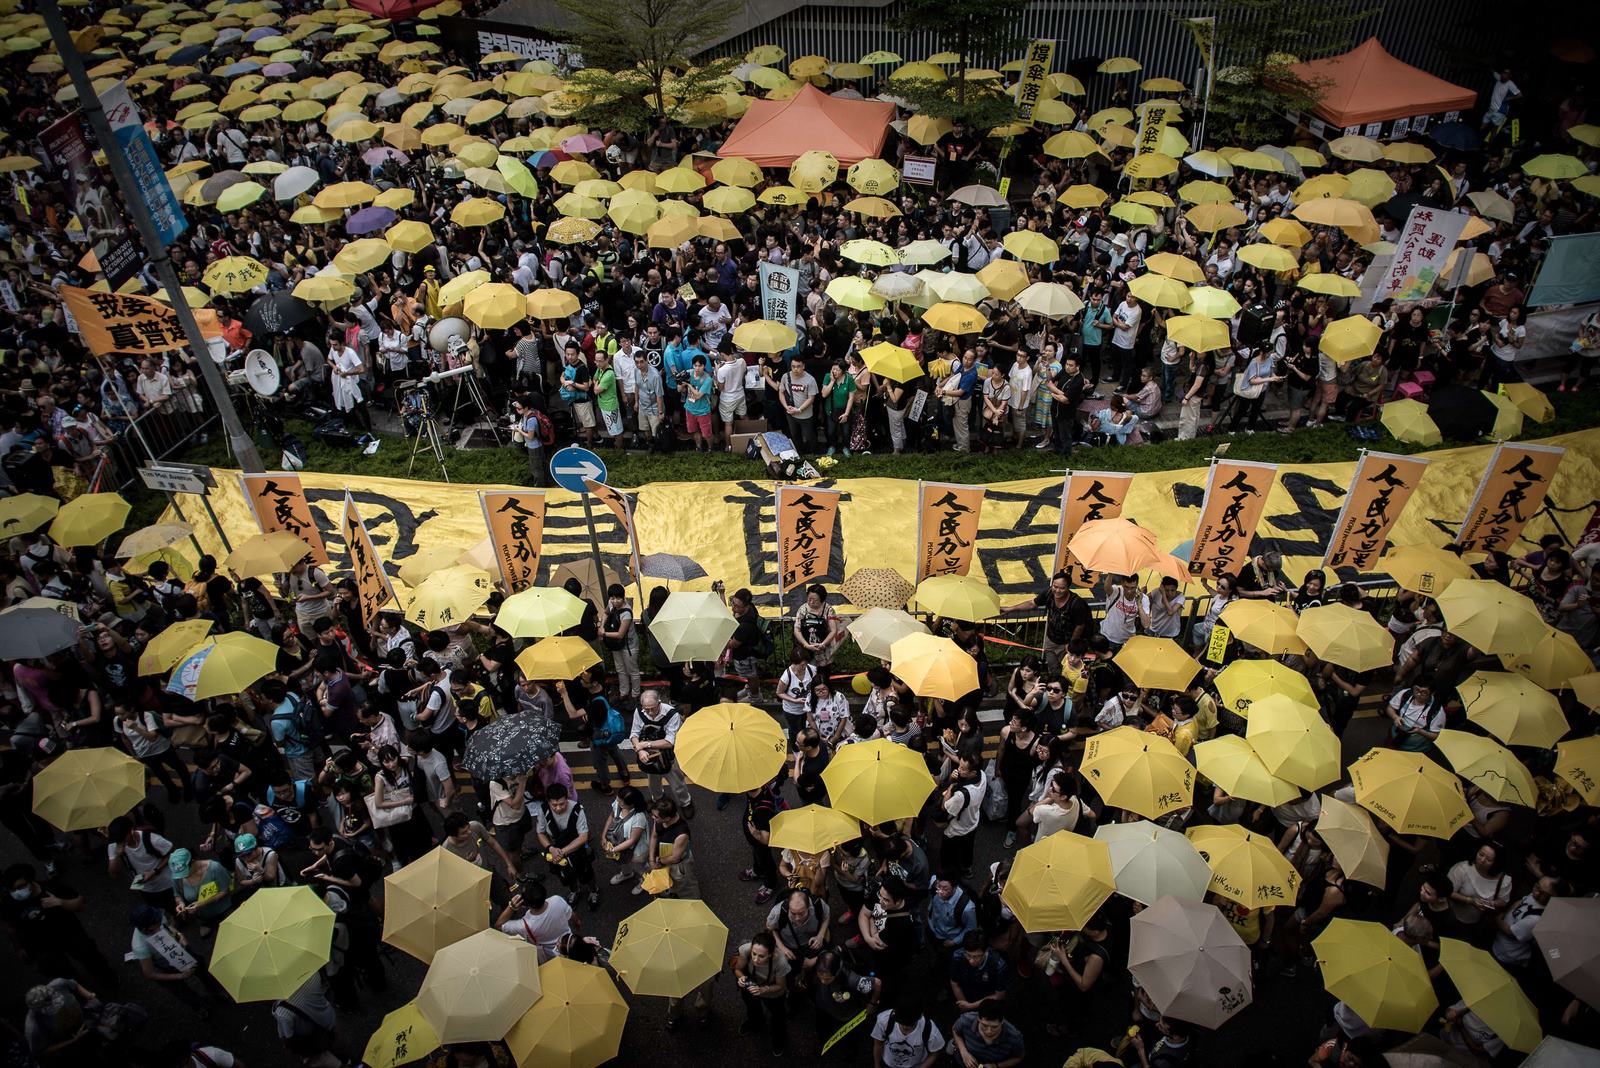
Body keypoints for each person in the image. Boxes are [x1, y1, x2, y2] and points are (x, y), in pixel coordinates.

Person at [532, 782, 600, 911]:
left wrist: (562, 852)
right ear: (548, 802)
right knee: (565, 875)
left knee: (586, 872)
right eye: (554, 805)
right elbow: (540, 833)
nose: (558, 808)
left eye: (562, 804)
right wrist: (550, 848)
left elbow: (583, 837)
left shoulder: (577, 810)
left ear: (567, 798)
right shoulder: (544, 810)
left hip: (576, 850)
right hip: (556, 851)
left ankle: (593, 890)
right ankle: (574, 890)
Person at [630, 689, 691, 811]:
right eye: (647, 709)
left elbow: (669, 742)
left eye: (653, 708)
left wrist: (645, 745)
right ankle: (657, 799)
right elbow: (634, 733)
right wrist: (640, 750)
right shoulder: (639, 711)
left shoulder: (672, 715)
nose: (650, 712)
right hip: (650, 755)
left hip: (669, 756)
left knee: (677, 783)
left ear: (659, 702)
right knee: (653, 782)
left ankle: (685, 803)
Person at [735, 930, 790, 1056]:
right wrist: (741, 978)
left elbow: (781, 986)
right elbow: (738, 969)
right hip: (751, 986)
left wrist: (763, 990)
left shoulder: (780, 962)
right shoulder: (745, 950)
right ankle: (755, 1022)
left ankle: (778, 1039)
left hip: (772, 992)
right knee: (752, 1008)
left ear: (770, 954)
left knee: (778, 1017)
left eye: (761, 956)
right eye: (754, 954)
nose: (756, 959)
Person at [497, 876, 573, 962]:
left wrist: (511, 907)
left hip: (552, 956)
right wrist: (577, 924)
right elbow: (572, 916)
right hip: (570, 943)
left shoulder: (525, 926)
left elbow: (499, 925)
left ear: (524, 904)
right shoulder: (557, 900)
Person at [871, 999, 947, 1068]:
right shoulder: (884, 1020)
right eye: (901, 1022)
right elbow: (878, 1043)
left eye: (909, 1023)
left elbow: (934, 1053)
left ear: (920, 1016)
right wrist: (877, 1064)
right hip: (887, 1064)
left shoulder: (929, 1030)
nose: (905, 1026)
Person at [950, 1001, 1025, 1068]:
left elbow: (1018, 1057)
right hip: (964, 1059)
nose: (989, 1031)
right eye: (984, 1025)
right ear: (978, 1019)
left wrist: (996, 1066)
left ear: (1002, 1022)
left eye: (994, 1027)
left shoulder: (1014, 1037)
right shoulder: (966, 1020)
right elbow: (955, 1030)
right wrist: (964, 1052)